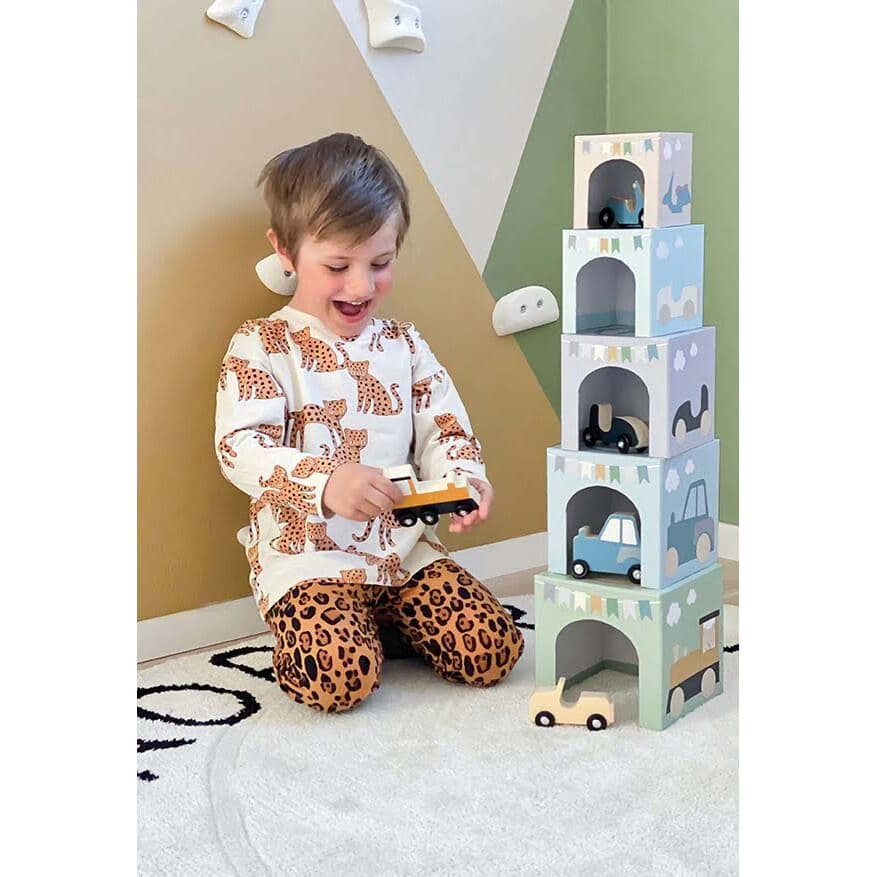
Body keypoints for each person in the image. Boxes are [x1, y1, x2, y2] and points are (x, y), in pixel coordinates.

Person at [214, 133, 524, 713]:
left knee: (492, 651)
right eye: (337, 266)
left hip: (403, 555)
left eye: (380, 264)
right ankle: (349, 633)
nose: (361, 287)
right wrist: (325, 482)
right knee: (337, 680)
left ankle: (385, 626)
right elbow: (240, 446)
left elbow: (446, 429)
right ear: (285, 250)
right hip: (310, 560)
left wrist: (464, 480)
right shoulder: (263, 345)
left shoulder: (404, 344)